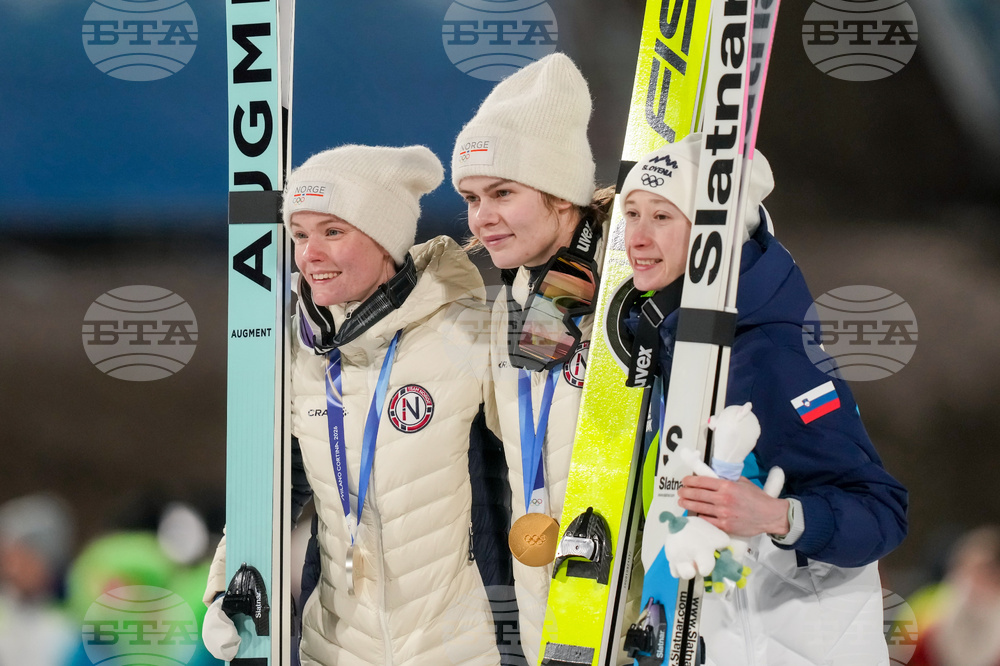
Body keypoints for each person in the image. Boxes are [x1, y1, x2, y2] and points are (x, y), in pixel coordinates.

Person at [203, 144, 505, 665]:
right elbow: (272, 488)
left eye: (332, 232)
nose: (308, 255)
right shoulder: (297, 353)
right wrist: (229, 580)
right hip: (335, 650)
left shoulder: (469, 331)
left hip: (462, 650)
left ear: (386, 241)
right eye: (299, 235)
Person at [619, 133, 909, 665]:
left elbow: (882, 512)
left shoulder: (772, 351)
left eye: (661, 217)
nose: (635, 237)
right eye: (631, 214)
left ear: (715, 235)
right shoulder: (671, 341)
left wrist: (778, 516)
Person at [451, 52, 613, 664]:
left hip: (630, 597)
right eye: (470, 197)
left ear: (559, 194)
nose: (482, 217)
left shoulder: (628, 288)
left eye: (502, 193)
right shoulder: (510, 305)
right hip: (544, 599)